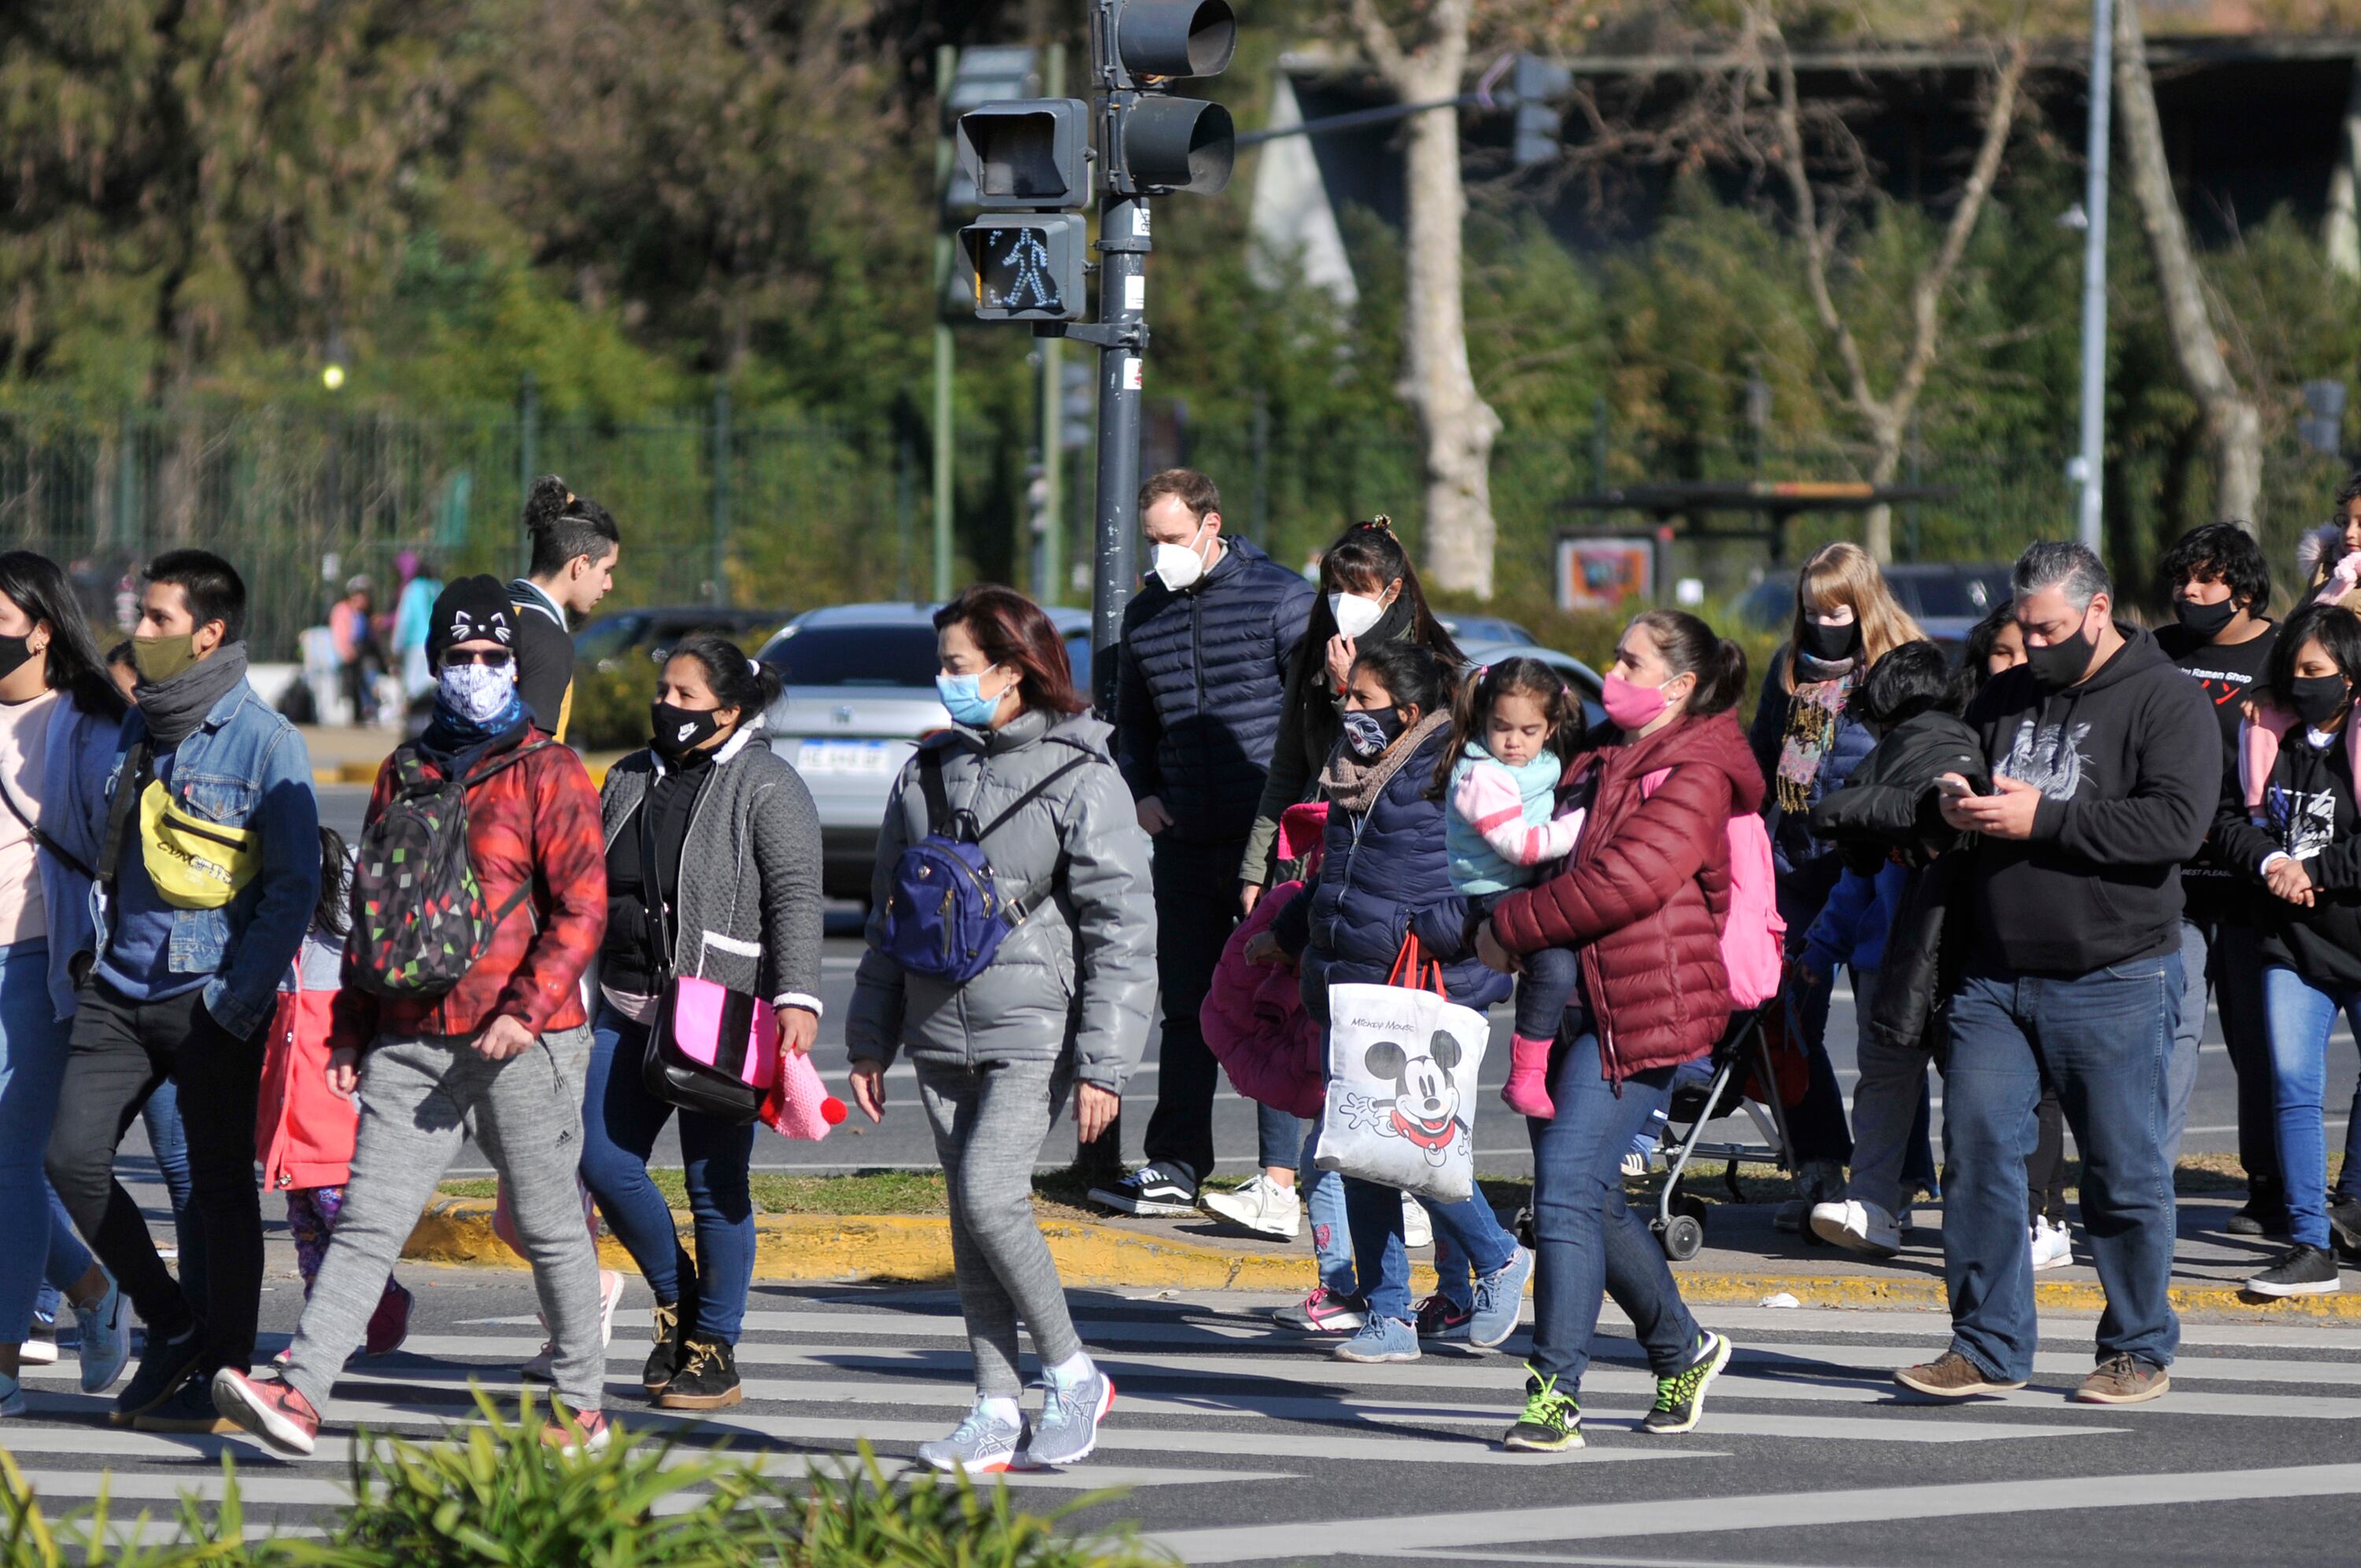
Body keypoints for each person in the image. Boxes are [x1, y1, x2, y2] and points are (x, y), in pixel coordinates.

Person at [210, 576, 611, 1456]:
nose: (477, 670)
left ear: (515, 665)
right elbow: (374, 909)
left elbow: (583, 909)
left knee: (549, 1226)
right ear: (435, 663)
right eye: (461, 655)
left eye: (493, 656)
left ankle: (583, 1405)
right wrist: (352, 1030)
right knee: (366, 1221)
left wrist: (527, 1010)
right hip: (411, 1040)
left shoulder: (549, 771)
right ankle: (302, 1394)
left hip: (523, 1044)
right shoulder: (405, 770)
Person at [1897, 540, 2215, 1407]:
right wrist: (1950, 804)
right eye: (2023, 629)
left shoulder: (2166, 698)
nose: (2032, 646)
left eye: (2049, 629)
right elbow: (1960, 778)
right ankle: (1987, 1344)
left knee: (2122, 1171)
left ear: (2099, 609)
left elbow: (2177, 826)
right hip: (1993, 976)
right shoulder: (2004, 694)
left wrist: (2046, 818)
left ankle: (2137, 1347)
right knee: (1977, 1154)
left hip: (2116, 973)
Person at [845, 585, 1155, 1475]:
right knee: (968, 1220)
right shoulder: (924, 772)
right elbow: (888, 916)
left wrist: (1104, 1064)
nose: (944, 680)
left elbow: (1123, 930)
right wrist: (870, 1036)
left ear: (1013, 670)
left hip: (1033, 1030)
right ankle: (993, 1405)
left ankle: (1074, 1373)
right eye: (941, 664)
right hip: (936, 1029)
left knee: (990, 1196)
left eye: (958, 665)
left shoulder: (1084, 774)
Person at [43, 549, 320, 1434]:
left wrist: (235, 1001)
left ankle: (223, 1369)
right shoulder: (142, 722)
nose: (141, 630)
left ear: (210, 633)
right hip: (118, 989)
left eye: (159, 618)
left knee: (217, 1188)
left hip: (210, 996)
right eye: (143, 613)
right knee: (71, 1158)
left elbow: (294, 887)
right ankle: (172, 1326)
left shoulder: (266, 740)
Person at [1472, 611, 1753, 1451]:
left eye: (1631, 662)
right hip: (1568, 1000)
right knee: (1590, 1198)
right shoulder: (1602, 752)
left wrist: (1506, 926)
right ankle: (1682, 1347)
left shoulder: (1697, 772)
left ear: (1679, 686)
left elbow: (1623, 883)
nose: (1613, 671)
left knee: (1562, 1191)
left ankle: (1553, 1392)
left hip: (1643, 1009)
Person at [1251, 640, 1533, 1366]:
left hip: (1418, 987)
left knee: (1414, 1150)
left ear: (1407, 712)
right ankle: (1389, 1316)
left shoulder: (1451, 773)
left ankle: (1499, 1257)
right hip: (1354, 985)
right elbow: (1335, 875)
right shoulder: (1356, 769)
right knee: (1360, 1151)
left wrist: (1424, 933)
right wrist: (1289, 932)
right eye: (1348, 696)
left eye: (1362, 698)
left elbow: (1493, 882)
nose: (1348, 708)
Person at [583, 636, 822, 1410]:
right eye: (663, 691)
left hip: (721, 1008)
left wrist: (797, 996)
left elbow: (795, 895)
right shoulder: (628, 774)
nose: (666, 706)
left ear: (728, 710)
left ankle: (714, 1344)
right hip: (625, 1003)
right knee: (601, 1159)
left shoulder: (768, 783)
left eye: (685, 696)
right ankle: (678, 1296)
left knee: (714, 1181)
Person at [1238, 518, 1466, 1278]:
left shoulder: (1427, 671)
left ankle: (1447, 1254)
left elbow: (1387, 769)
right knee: (1301, 1036)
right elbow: (1286, 767)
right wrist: (1258, 864)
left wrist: (1348, 694)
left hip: (1391, 894)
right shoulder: (1319, 653)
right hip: (1321, 867)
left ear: (1394, 592)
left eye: (1358, 589)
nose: (1342, 602)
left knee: (1381, 1085)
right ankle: (1298, 1204)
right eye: (1334, 587)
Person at [1098, 467, 1314, 1229]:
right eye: (1151, 539)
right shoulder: (1145, 615)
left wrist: (1293, 831)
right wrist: (1142, 790)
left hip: (1271, 842)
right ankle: (1176, 1163)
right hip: (1185, 838)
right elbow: (1130, 724)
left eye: (1174, 537)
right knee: (1186, 1005)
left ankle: (1278, 1178)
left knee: (1274, 1002)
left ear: (1211, 525)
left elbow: (1314, 723)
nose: (1160, 552)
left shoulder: (1282, 600)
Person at [1746, 542, 1926, 1225]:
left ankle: (1898, 1179)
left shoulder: (1897, 666)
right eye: (1812, 611)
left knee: (1888, 1030)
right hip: (1797, 870)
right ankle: (1818, 1164)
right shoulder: (1790, 669)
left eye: (1838, 611)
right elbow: (1762, 762)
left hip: (1876, 871)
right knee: (1786, 1020)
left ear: (1865, 604)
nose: (1824, 625)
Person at [0, 552, 135, 1418]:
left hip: (35, 960)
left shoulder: (86, 721)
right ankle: (90, 1285)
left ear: (41, 629)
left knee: (11, 1161)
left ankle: (4, 1361)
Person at [1798, 641, 1979, 1256]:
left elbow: (1854, 878)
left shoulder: (1942, 762)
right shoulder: (1919, 759)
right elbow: (1857, 881)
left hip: (1931, 961)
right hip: (1898, 961)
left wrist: (1820, 949)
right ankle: (1878, 1203)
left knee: (1908, 1088)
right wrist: (1821, 948)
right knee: (1902, 1087)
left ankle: (1913, 1204)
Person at [2211, 601, 2361, 1296]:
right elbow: (2228, 821)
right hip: (2290, 942)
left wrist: (2315, 871)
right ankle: (2310, 1242)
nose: (2303, 682)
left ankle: (2351, 1203)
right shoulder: (2267, 736)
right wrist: (2273, 862)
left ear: (2350, 674)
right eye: (2293, 669)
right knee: (2295, 1086)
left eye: (2316, 669)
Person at [2154, 522, 2279, 1197]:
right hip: (2170, 884)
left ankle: (2270, 1184)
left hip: (2251, 883)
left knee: (2258, 1042)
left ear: (2246, 589)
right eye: (2182, 579)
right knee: (2166, 1037)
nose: (2190, 591)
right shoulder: (2156, 651)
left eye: (2206, 579)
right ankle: (2148, 1183)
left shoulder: (2283, 654)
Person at [255, 828, 412, 1362]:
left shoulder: (343, 939)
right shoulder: (279, 939)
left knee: (340, 1221)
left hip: (337, 1119)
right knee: (307, 1231)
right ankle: (331, 1327)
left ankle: (345, 1321)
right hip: (292, 1123)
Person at [1963, 607, 2075, 1273]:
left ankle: (2045, 1213)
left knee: (2050, 1093)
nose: (2015, 662)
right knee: (1989, 1100)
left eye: (2026, 648)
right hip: (1989, 937)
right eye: (2001, 652)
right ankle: (2020, 1213)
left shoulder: (2069, 713)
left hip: (2066, 935)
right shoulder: (1983, 714)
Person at [1440, 657, 1585, 1116]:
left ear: (1551, 726)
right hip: (1493, 890)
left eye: (1528, 730)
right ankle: (1525, 1074)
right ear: (1484, 719)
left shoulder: (1544, 762)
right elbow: (1520, 846)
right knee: (1556, 967)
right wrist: (1580, 824)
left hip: (1524, 885)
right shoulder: (1480, 774)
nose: (1513, 742)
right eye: (1501, 728)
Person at [511, 474, 621, 740]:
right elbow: (532, 754)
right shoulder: (548, 640)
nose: (609, 585)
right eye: (606, 570)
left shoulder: (488, 612)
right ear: (580, 565)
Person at [327, 575, 380, 725]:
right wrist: (347, 651)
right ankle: (365, 711)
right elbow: (340, 635)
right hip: (348, 657)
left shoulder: (365, 615)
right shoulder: (343, 610)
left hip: (363, 656)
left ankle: (369, 710)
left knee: (369, 673)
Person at [390, 551, 442, 701]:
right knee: (430, 680)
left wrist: (396, 645)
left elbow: (404, 619)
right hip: (435, 642)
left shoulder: (412, 589)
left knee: (412, 684)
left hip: (414, 642)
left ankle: (414, 710)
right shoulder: (438, 588)